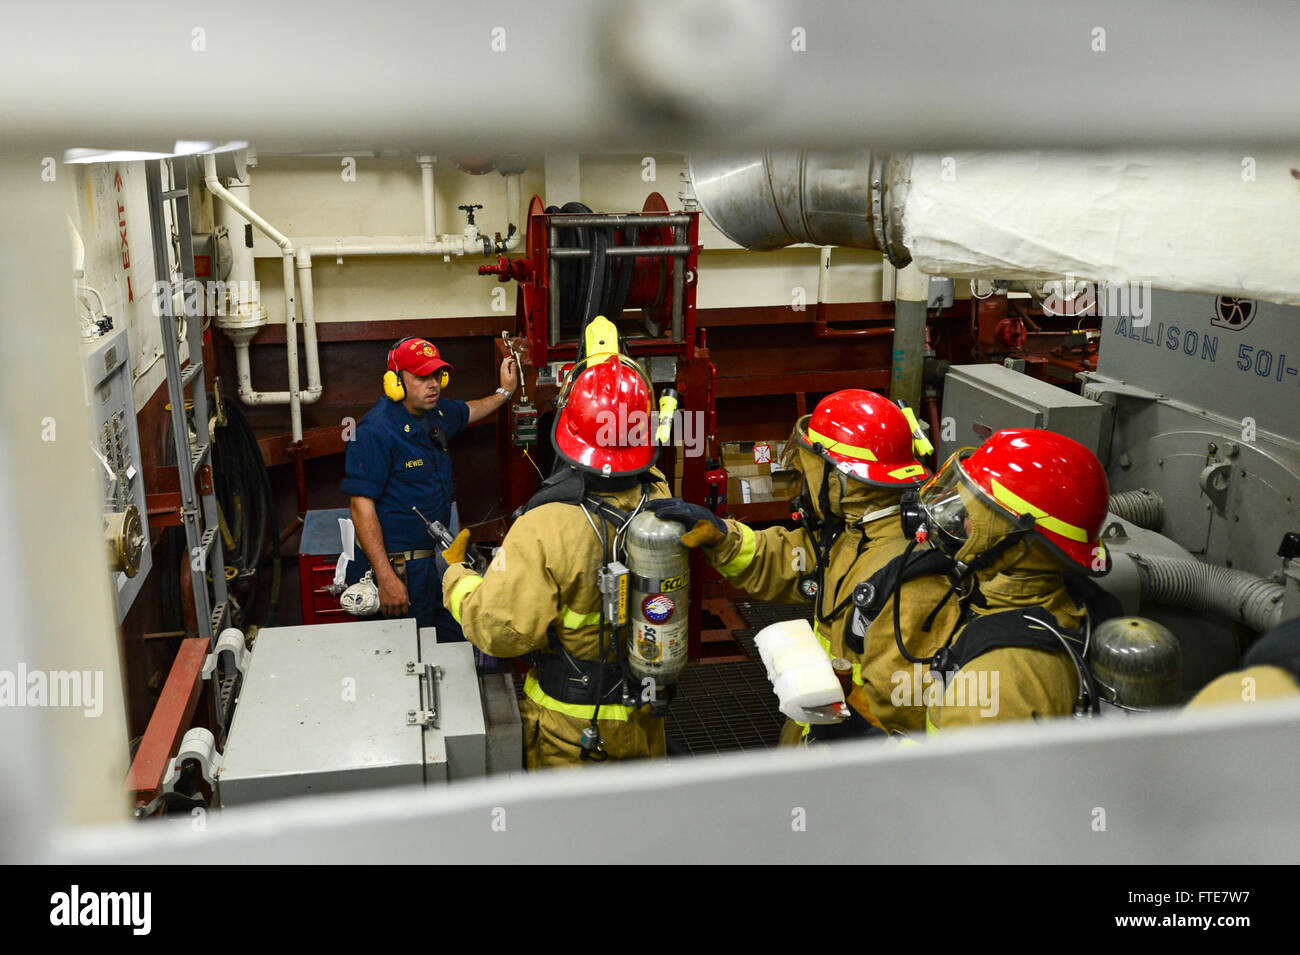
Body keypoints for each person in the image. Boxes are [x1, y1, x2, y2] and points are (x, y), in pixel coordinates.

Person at [649, 389, 959, 741]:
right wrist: (723, 537)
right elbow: (788, 560)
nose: (802, 481)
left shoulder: (911, 582)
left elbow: (904, 714)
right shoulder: (856, 533)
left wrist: (854, 734)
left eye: (810, 469)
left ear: (841, 478)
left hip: (851, 772)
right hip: (819, 735)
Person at [440, 320, 673, 768]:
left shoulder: (543, 525)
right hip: (646, 717)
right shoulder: (660, 497)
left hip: (571, 730)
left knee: (570, 837)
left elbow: (500, 632)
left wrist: (457, 577)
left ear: (568, 427)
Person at [898, 429, 1117, 734]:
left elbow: (957, 780)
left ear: (1020, 541)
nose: (962, 521)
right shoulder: (1062, 605)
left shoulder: (993, 684)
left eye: (977, 514)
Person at [341, 336, 518, 641]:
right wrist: (385, 578)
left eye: (437, 375)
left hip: (438, 563)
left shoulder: (435, 414)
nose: (433, 384)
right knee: (400, 663)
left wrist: (504, 393)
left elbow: (468, 410)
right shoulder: (374, 432)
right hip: (400, 572)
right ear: (395, 381)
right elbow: (361, 507)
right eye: (421, 376)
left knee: (452, 646)